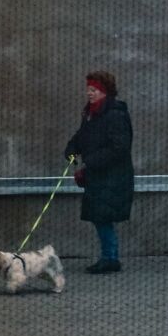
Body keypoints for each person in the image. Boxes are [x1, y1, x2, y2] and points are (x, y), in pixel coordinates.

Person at [64, 71, 134, 273]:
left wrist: (90, 163)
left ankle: (110, 258)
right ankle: (109, 257)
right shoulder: (91, 113)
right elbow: (82, 136)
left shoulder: (115, 115)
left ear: (104, 91)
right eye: (88, 89)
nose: (89, 93)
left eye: (93, 90)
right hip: (98, 175)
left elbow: (119, 147)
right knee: (99, 216)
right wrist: (71, 150)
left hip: (113, 176)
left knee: (102, 216)